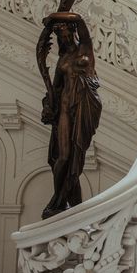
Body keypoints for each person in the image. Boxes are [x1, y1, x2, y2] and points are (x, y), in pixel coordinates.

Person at [37, 11, 102, 219]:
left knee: (77, 155)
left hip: (85, 107)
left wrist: (54, 20)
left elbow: (80, 21)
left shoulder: (86, 49)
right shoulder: (62, 60)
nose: (63, 39)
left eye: (66, 34)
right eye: (59, 36)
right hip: (65, 109)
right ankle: (58, 199)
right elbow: (54, 88)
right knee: (64, 156)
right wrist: (49, 106)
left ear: (73, 33)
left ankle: (65, 201)